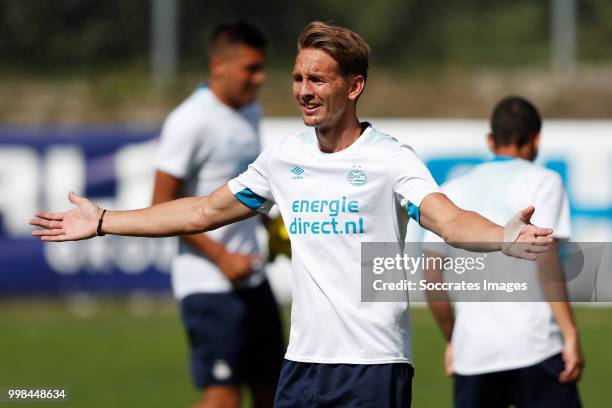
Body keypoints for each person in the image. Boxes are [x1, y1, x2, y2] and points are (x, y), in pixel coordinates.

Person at [30, 22, 554, 408]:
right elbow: (203, 210)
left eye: (320, 80)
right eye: (299, 77)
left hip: (373, 367)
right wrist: (103, 221)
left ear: (354, 86)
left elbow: (447, 218)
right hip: (301, 367)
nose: (305, 90)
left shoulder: (391, 158)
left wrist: (501, 237)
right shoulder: (284, 156)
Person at [424, 96, 583, 407]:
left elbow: (432, 279)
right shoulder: (544, 182)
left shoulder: (450, 190)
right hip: (535, 347)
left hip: (474, 355)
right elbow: (547, 261)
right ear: (536, 139)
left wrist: (453, 339)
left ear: (490, 139)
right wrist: (570, 334)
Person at [158, 21, 283, 408]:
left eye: (261, 67)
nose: (259, 78)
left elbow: (247, 188)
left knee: (273, 392)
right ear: (219, 66)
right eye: (250, 68)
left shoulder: (251, 112)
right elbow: (161, 205)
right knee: (224, 398)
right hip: (208, 281)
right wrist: (221, 257)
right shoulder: (189, 120)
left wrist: (275, 227)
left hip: (252, 276)